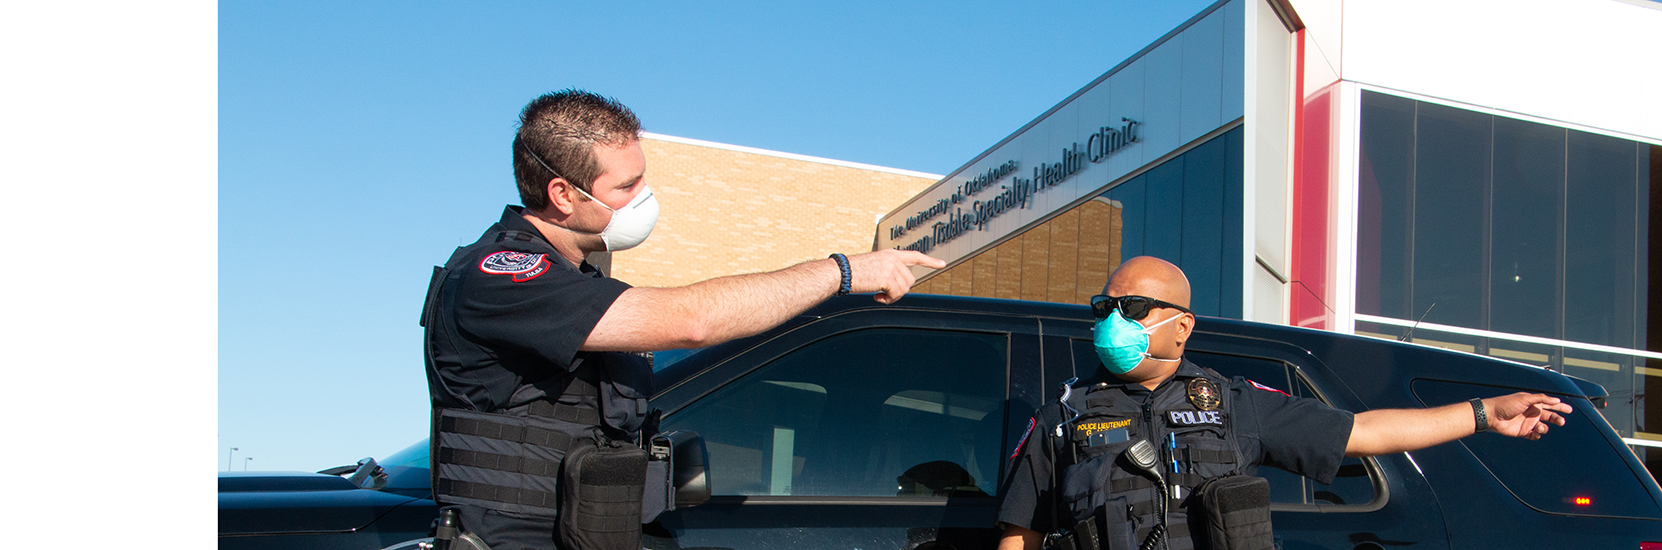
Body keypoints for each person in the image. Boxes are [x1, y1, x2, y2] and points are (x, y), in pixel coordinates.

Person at [420, 89, 943, 550]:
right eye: (626, 188)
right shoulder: (503, 277)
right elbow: (694, 320)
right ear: (562, 195)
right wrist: (844, 272)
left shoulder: (576, 278)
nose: (643, 200)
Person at [994, 256, 1572, 550]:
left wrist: (1482, 414)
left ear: (1181, 327)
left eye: (1134, 308)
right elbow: (1019, 534)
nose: (1113, 321)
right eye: (1105, 307)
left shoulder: (1232, 404)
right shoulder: (1063, 415)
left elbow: (1365, 432)